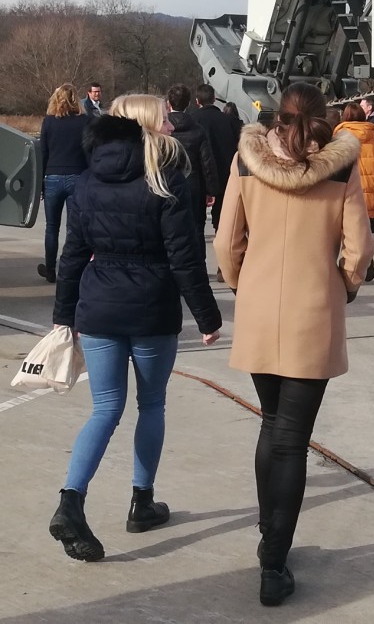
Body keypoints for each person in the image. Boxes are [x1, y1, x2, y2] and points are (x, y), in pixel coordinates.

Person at [214, 82, 374, 607]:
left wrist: (243, 282)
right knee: (292, 438)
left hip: (261, 304)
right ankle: (275, 559)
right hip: (314, 308)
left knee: (271, 425)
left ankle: (268, 539)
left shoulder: (247, 161)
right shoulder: (341, 167)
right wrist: (345, 284)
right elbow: (358, 247)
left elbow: (225, 239)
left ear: (277, 114)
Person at [49, 94, 222, 562]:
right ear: (148, 125)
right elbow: (185, 259)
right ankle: (141, 502)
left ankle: (71, 499)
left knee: (104, 408)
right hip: (150, 308)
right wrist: (207, 316)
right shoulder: (168, 184)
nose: (171, 123)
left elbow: (71, 255)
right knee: (152, 404)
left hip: (99, 304)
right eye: (164, 117)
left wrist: (64, 315)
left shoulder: (87, 182)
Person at [37, 83, 89, 284]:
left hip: (53, 176)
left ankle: (50, 269)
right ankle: (72, 268)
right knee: (73, 228)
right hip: (77, 175)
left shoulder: (49, 122)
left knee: (51, 227)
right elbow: (89, 151)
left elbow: (43, 153)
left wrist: (41, 183)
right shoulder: (85, 121)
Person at [167, 83, 219, 271]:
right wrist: (211, 189)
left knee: (170, 228)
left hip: (167, 184)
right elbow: (207, 162)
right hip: (193, 183)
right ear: (189, 103)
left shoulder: (163, 129)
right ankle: (199, 267)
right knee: (197, 228)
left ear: (168, 104)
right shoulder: (197, 130)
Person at [192, 83, 240, 280]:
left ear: (197, 101)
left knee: (197, 224)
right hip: (226, 177)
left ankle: (200, 266)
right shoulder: (228, 121)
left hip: (198, 178)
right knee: (223, 225)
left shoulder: (193, 120)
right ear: (214, 99)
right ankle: (223, 267)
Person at [333, 102, 374, 281]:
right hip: (370, 191)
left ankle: (352, 266)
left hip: (348, 191)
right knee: (366, 231)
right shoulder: (373, 137)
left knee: (346, 232)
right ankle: (367, 261)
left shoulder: (339, 136)